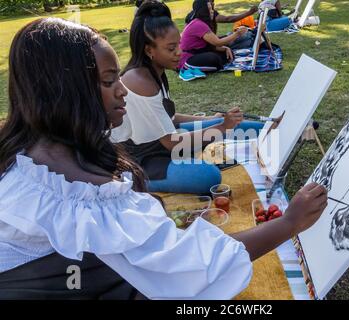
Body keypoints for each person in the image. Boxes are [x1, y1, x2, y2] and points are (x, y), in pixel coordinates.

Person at [0, 17, 328, 299]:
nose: (121, 90)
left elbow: (174, 120)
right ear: (65, 92)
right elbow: (196, 263)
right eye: (108, 81)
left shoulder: (30, 152)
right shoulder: (88, 201)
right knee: (207, 176)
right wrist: (290, 222)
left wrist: (218, 123)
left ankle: (275, 126)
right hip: (153, 156)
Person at [113, 1, 264, 194]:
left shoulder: (153, 71)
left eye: (178, 45)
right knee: (208, 176)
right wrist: (219, 127)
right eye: (170, 48)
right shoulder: (140, 81)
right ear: (149, 50)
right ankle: (138, 182)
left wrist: (210, 121)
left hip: (163, 142)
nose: (179, 52)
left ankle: (275, 129)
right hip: (142, 161)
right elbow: (172, 142)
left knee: (220, 122)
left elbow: (170, 118)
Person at [179, 0, 248, 78]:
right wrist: (237, 34)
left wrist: (225, 49)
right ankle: (189, 68)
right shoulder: (198, 24)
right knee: (214, 59)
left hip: (199, 53)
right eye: (209, 9)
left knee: (226, 54)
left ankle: (217, 64)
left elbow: (210, 45)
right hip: (188, 59)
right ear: (203, 10)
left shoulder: (202, 23)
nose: (212, 12)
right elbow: (218, 42)